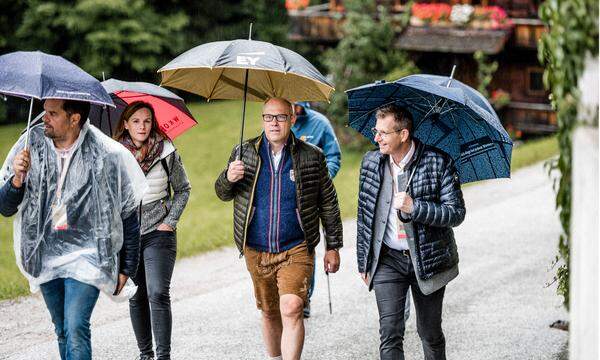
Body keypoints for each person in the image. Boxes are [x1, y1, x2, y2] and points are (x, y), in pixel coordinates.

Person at [0, 99, 146, 360]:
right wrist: (17, 179)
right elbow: (5, 207)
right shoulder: (30, 145)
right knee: (63, 330)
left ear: (74, 118)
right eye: (45, 111)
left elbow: (127, 212)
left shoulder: (103, 154)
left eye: (53, 113)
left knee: (76, 326)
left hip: (88, 255)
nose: (44, 118)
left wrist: (127, 267)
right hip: (44, 253)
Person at [215, 98, 343, 360]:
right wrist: (228, 177)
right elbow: (222, 193)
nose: (274, 123)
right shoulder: (244, 153)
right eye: (269, 117)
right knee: (270, 311)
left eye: (281, 117)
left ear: (292, 119)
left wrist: (333, 246)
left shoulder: (311, 156)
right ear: (262, 119)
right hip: (257, 248)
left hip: (296, 245)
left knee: (292, 306)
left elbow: (328, 202)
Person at [356, 104, 466, 360]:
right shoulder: (371, 162)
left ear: (403, 134)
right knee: (390, 332)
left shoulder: (438, 162)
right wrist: (364, 261)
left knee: (429, 332)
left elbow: (456, 213)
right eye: (376, 131)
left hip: (427, 261)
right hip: (387, 260)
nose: (376, 138)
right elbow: (364, 215)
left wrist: (415, 207)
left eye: (383, 133)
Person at [114, 101, 191, 360]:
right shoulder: (114, 155)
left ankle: (163, 356)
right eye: (135, 121)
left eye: (147, 121)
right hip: (129, 236)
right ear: (125, 124)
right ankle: (145, 355)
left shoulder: (166, 151)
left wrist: (170, 221)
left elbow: (183, 189)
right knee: (137, 294)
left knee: (157, 291)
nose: (142, 126)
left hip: (160, 231)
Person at [292, 102, 341, 318]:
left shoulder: (320, 124)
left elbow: (333, 156)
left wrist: (321, 180)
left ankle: (303, 296)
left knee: (305, 244)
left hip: (310, 197)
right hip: (285, 197)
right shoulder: (280, 120)